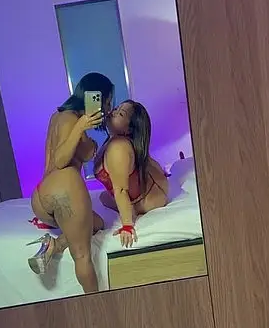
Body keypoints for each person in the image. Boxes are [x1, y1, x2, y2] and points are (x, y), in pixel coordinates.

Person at [28, 72, 113, 293]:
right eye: (107, 100)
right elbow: (61, 160)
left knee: (97, 223)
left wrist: (85, 133)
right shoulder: (72, 120)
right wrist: (81, 127)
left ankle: (54, 245)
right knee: (82, 256)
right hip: (62, 187)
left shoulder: (59, 116)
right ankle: (97, 307)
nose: (108, 107)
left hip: (42, 195)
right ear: (94, 97)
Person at [93, 100, 169, 248]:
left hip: (152, 196)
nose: (113, 112)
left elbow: (121, 190)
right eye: (116, 108)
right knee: (103, 197)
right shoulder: (112, 140)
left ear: (128, 129)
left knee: (109, 198)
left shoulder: (118, 147)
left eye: (121, 114)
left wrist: (127, 226)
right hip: (145, 182)